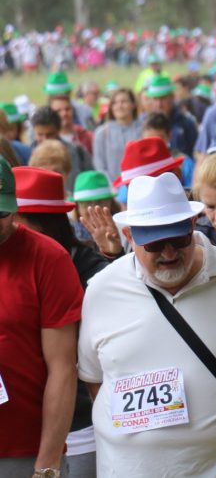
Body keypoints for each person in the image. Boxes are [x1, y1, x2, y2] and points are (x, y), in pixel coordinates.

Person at [78, 172, 216, 476]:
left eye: (179, 239)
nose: (170, 253)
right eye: (155, 245)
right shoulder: (101, 289)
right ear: (130, 236)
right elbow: (94, 378)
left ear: (192, 225)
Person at [13, 166, 109, 477]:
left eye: (14, 221)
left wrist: (116, 254)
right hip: (23, 427)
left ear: (43, 226)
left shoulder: (93, 271)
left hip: (83, 427)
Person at [0, 158, 83, 478]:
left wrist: (47, 465)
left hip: (25, 452)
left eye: (3, 214)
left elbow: (62, 368)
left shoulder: (47, 258)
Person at [31, 106, 92, 192]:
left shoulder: (77, 152)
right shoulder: (28, 154)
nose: (44, 139)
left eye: (49, 135)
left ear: (58, 130)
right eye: (40, 135)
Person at [92, 87, 141, 184]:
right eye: (115, 103)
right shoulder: (101, 133)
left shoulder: (143, 129)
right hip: (113, 189)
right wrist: (113, 188)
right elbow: (99, 165)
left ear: (133, 105)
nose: (119, 106)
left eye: (124, 102)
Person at [142, 75, 198, 158]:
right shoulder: (143, 122)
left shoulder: (186, 123)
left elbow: (195, 153)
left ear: (172, 96)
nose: (159, 104)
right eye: (155, 99)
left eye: (163, 98)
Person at [142, 113, 196, 189]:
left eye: (158, 142)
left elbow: (192, 192)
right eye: (148, 141)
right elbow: (123, 197)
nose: (153, 147)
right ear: (142, 137)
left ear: (169, 136)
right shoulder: (138, 165)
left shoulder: (184, 162)